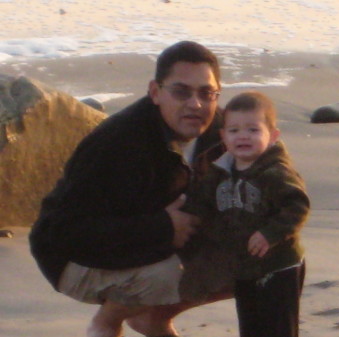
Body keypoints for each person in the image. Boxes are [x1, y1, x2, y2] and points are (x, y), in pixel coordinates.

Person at [29, 41, 227, 337]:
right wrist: (162, 227)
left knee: (260, 259)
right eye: (181, 92)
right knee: (174, 274)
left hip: (146, 242)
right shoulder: (118, 144)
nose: (195, 104)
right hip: (70, 259)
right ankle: (107, 323)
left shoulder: (221, 128)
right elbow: (66, 233)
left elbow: (271, 166)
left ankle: (152, 319)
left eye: (206, 93)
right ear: (155, 92)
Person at [179, 91, 310, 337]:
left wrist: (270, 234)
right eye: (234, 130)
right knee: (251, 327)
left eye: (253, 130)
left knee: (278, 329)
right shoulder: (219, 173)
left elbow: (297, 206)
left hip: (278, 264)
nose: (243, 136)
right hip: (243, 266)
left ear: (272, 136)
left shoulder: (275, 172)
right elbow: (201, 204)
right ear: (223, 137)